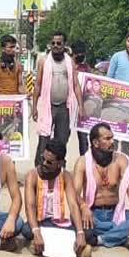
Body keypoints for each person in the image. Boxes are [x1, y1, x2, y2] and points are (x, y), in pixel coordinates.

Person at [72, 123, 129, 249]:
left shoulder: (121, 160)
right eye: (107, 139)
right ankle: (122, 235)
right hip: (93, 214)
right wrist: (84, 206)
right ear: (95, 143)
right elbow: (74, 193)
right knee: (76, 217)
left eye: (112, 138)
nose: (113, 142)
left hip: (116, 214)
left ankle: (99, 240)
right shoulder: (82, 162)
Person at [23, 140, 90, 257]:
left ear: (59, 163)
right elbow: (30, 206)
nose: (43, 163)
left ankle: (40, 245)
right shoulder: (32, 175)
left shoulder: (66, 176)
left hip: (58, 222)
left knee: (87, 231)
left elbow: (73, 206)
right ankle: (41, 240)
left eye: (49, 162)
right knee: (26, 230)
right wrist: (36, 231)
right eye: (42, 158)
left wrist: (80, 232)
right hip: (39, 222)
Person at [33, 31, 83, 167]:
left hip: (64, 108)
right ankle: (40, 169)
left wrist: (81, 107)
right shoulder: (43, 61)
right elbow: (37, 85)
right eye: (53, 43)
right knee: (44, 139)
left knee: (61, 142)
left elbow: (76, 85)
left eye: (59, 43)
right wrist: (34, 107)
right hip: (47, 107)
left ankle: (59, 170)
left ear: (64, 45)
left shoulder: (69, 62)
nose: (55, 46)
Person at [71, 40, 91, 156]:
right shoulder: (68, 65)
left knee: (83, 139)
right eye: (78, 53)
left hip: (81, 106)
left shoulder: (86, 67)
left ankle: (85, 163)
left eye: (82, 53)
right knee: (63, 137)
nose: (80, 56)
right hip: (67, 106)